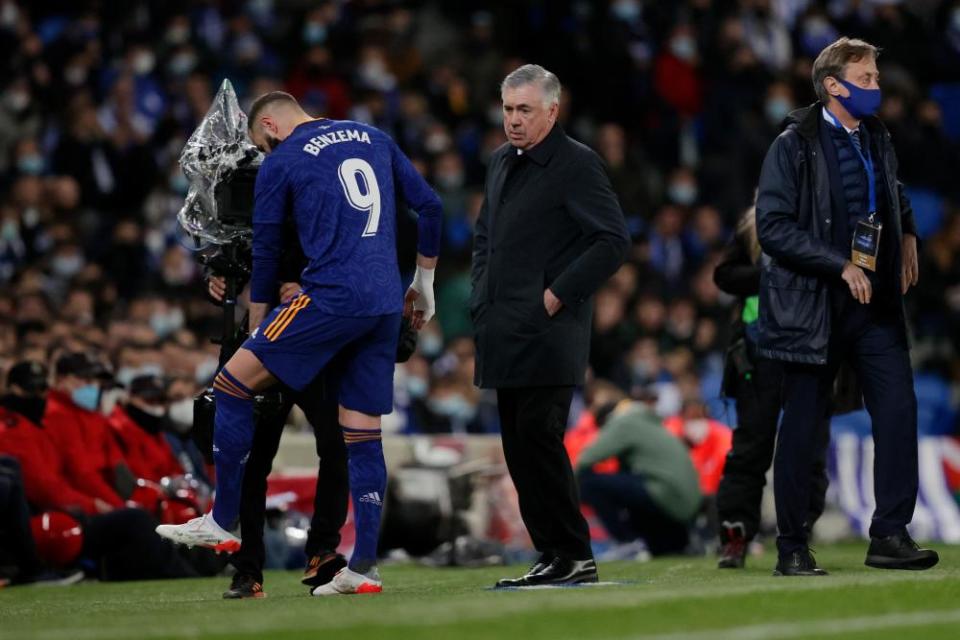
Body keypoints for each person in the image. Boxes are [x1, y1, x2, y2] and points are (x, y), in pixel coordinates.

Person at [156, 91, 442, 596]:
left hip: (329, 297)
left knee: (230, 385)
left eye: (261, 144)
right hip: (382, 304)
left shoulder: (283, 158)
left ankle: (221, 522)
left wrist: (261, 323)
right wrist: (423, 283)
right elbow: (431, 206)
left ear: (269, 124)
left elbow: (265, 252)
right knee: (360, 433)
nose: (264, 153)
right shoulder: (373, 136)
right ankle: (363, 568)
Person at [755, 37, 938, 575]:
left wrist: (907, 235)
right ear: (833, 86)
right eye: (865, 80)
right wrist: (838, 263)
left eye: (876, 78)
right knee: (805, 426)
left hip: (874, 304)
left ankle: (889, 534)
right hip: (815, 307)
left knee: (899, 411)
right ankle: (792, 545)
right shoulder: (792, 145)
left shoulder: (876, 135)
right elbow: (772, 227)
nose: (876, 88)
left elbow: (890, 190)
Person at [471, 64, 629, 588]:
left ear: (552, 111)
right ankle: (553, 554)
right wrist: (480, 297)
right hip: (503, 326)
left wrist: (558, 293)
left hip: (547, 328)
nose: (513, 120)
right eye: (508, 109)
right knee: (519, 444)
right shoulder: (499, 161)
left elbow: (611, 239)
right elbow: (485, 239)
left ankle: (573, 553)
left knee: (539, 436)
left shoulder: (576, 164)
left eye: (525, 111)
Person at [712, 206, 830, 569]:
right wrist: (769, 275)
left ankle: (800, 527)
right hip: (761, 350)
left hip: (810, 345)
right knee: (751, 445)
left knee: (808, 445)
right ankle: (736, 533)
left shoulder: (823, 215)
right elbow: (725, 276)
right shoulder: (754, 221)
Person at [576, 384, 701, 557]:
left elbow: (585, 459)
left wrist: (563, 493)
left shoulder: (623, 420)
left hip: (666, 494)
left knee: (588, 483)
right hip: (682, 502)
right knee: (627, 486)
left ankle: (626, 542)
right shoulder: (647, 422)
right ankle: (667, 543)